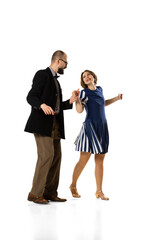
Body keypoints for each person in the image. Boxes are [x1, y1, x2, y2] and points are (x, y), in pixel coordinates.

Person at [25, 50, 79, 204]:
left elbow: (56, 107)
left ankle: (49, 192)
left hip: (55, 125)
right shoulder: (42, 74)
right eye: (66, 62)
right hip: (42, 124)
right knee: (46, 156)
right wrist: (41, 105)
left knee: (56, 157)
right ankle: (35, 193)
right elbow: (31, 96)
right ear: (58, 60)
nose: (66, 66)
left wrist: (70, 101)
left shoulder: (56, 81)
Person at [69, 70, 122, 200]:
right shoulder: (83, 93)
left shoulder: (100, 89)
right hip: (90, 128)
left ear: (93, 76)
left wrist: (116, 98)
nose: (86, 77)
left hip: (102, 127)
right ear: (83, 81)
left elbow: (102, 103)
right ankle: (73, 185)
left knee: (100, 160)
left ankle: (99, 191)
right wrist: (76, 99)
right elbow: (79, 110)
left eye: (88, 75)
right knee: (83, 160)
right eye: (84, 77)